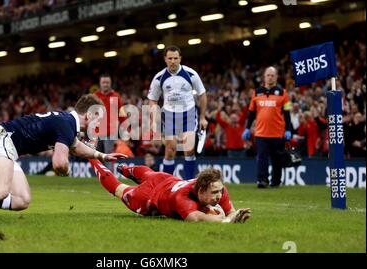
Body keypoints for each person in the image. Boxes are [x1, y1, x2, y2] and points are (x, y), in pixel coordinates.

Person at [0, 94, 127, 225]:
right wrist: (64, 168)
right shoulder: (66, 125)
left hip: (6, 145)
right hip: (0, 139)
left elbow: (76, 146)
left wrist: (102, 156)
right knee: (1, 190)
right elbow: (60, 163)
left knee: (22, 200)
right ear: (89, 115)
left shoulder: (67, 123)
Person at [89, 159, 251, 223]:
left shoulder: (217, 187)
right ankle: (92, 158)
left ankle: (123, 168)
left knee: (146, 172)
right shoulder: (182, 198)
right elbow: (195, 218)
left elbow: (232, 212)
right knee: (119, 189)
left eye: (219, 191)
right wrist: (227, 220)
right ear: (201, 190)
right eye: (214, 192)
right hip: (148, 197)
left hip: (166, 179)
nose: (219, 196)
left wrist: (233, 215)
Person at [147, 45, 207, 180]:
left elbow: (202, 95)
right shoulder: (159, 78)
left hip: (189, 114)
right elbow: (152, 100)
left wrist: (202, 117)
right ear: (165, 59)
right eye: (170, 58)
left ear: (180, 58)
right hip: (169, 115)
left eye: (175, 58)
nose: (173, 61)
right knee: (170, 150)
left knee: (189, 148)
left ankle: (189, 184)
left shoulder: (191, 74)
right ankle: (167, 187)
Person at [242, 66, 292, 188]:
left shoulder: (283, 93)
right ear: (264, 77)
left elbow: (287, 114)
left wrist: (289, 130)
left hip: (277, 133)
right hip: (261, 132)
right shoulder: (256, 92)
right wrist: (247, 127)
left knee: (277, 159)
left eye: (272, 75)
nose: (270, 77)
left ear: (276, 77)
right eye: (268, 75)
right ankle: (262, 180)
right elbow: (251, 112)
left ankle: (276, 181)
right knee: (261, 158)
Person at [93, 74, 126, 168]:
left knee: (108, 155)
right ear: (100, 83)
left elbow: (122, 115)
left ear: (110, 83)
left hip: (110, 132)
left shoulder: (116, 96)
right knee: (96, 155)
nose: (105, 84)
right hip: (96, 132)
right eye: (103, 82)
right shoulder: (95, 96)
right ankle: (99, 177)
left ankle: (109, 178)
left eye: (107, 82)